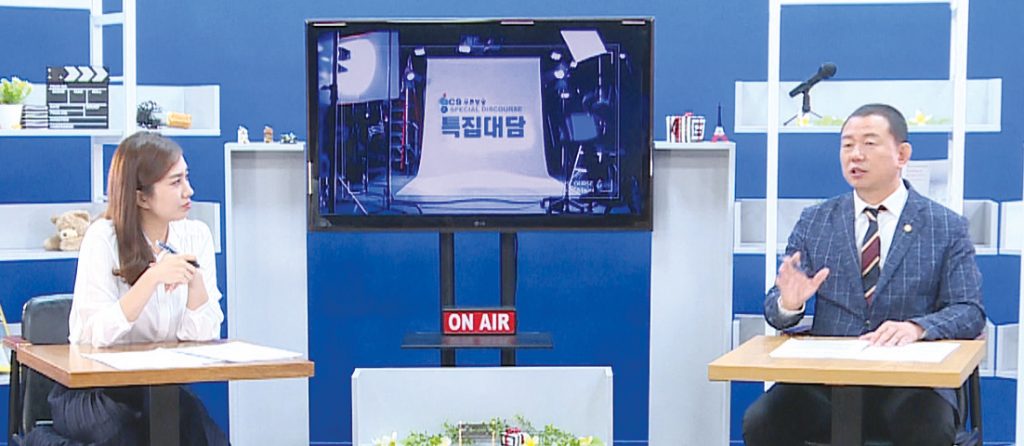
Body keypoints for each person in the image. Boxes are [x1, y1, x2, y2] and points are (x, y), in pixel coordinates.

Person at [742, 104, 985, 446]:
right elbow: (775, 311)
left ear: (902, 154)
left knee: (927, 427)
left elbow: (969, 311)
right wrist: (789, 303)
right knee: (763, 421)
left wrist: (917, 327)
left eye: (869, 143)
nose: (855, 154)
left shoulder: (945, 226)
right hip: (825, 382)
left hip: (910, 383)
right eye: (847, 145)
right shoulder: (816, 221)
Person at [25, 132, 229, 446]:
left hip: (157, 389)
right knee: (129, 433)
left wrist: (196, 281)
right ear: (141, 197)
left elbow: (202, 337)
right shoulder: (102, 238)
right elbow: (95, 335)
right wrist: (151, 279)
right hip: (91, 394)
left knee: (202, 433)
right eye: (175, 182)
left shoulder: (196, 235)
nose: (188, 190)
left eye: (186, 178)